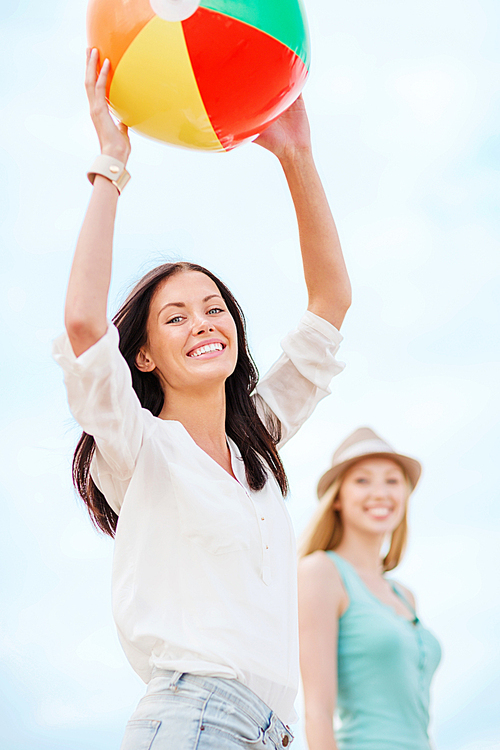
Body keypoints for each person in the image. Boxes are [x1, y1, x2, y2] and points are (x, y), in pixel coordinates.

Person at [52, 48, 351, 750]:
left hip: (269, 732)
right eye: (176, 316)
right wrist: (111, 166)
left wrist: (296, 153)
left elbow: (330, 303)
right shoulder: (137, 447)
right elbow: (83, 326)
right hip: (193, 722)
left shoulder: (256, 446)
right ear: (145, 355)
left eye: (213, 307)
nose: (203, 324)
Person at [298, 427, 441, 750]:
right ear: (337, 498)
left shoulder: (404, 595)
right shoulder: (321, 572)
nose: (380, 492)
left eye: (392, 480)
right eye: (362, 480)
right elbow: (317, 713)